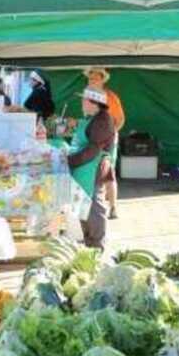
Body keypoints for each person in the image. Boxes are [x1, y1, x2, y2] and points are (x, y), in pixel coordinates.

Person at [67, 87, 114, 250]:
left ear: (93, 103)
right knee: (83, 204)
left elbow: (93, 150)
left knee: (94, 206)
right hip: (84, 166)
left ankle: (96, 243)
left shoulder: (102, 120)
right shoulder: (93, 117)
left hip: (93, 167)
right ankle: (88, 240)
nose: (82, 102)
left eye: (84, 100)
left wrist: (70, 161)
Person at [84, 67, 124, 219]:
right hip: (93, 137)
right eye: (90, 78)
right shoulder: (86, 95)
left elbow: (120, 119)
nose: (92, 81)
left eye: (95, 78)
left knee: (107, 172)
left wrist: (110, 134)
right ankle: (92, 204)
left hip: (108, 138)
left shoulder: (111, 97)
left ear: (102, 80)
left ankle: (113, 207)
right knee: (93, 169)